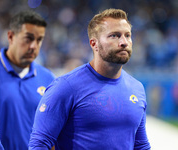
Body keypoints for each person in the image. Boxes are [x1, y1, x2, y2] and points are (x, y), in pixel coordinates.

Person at [29, 8, 151, 150]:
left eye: (128, 35)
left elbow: (141, 145)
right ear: (94, 44)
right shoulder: (66, 87)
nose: (124, 42)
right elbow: (40, 144)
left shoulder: (137, 88)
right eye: (114, 36)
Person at [0, 10, 55, 150]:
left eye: (39, 40)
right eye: (28, 38)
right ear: (11, 36)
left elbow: (52, 130)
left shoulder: (48, 78)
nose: (34, 46)